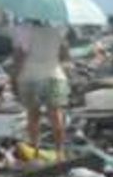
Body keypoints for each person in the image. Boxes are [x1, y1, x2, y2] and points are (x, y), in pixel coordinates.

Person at [11, 18, 72, 157]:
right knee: (56, 115)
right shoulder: (58, 31)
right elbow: (65, 56)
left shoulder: (22, 31)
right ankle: (59, 152)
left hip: (30, 77)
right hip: (55, 76)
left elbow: (19, 57)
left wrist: (14, 78)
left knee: (33, 116)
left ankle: (35, 152)